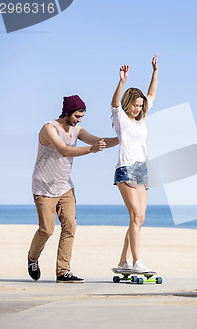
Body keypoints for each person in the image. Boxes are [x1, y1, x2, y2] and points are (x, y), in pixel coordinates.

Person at [28, 95, 119, 283]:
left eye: (81, 117)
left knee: (70, 225)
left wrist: (121, 139)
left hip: (65, 187)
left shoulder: (77, 130)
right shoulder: (49, 129)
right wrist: (90, 150)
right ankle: (32, 258)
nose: (79, 120)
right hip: (44, 187)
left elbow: (99, 140)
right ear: (67, 112)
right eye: (77, 116)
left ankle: (63, 272)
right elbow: (63, 150)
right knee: (46, 230)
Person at [111, 54, 158, 273]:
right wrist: (122, 81)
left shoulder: (141, 120)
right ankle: (137, 261)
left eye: (140, 106)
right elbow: (114, 103)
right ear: (128, 104)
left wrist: (155, 72)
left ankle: (122, 263)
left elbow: (151, 94)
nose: (138, 108)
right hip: (126, 169)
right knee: (135, 216)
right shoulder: (121, 118)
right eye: (135, 105)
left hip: (142, 169)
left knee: (140, 219)